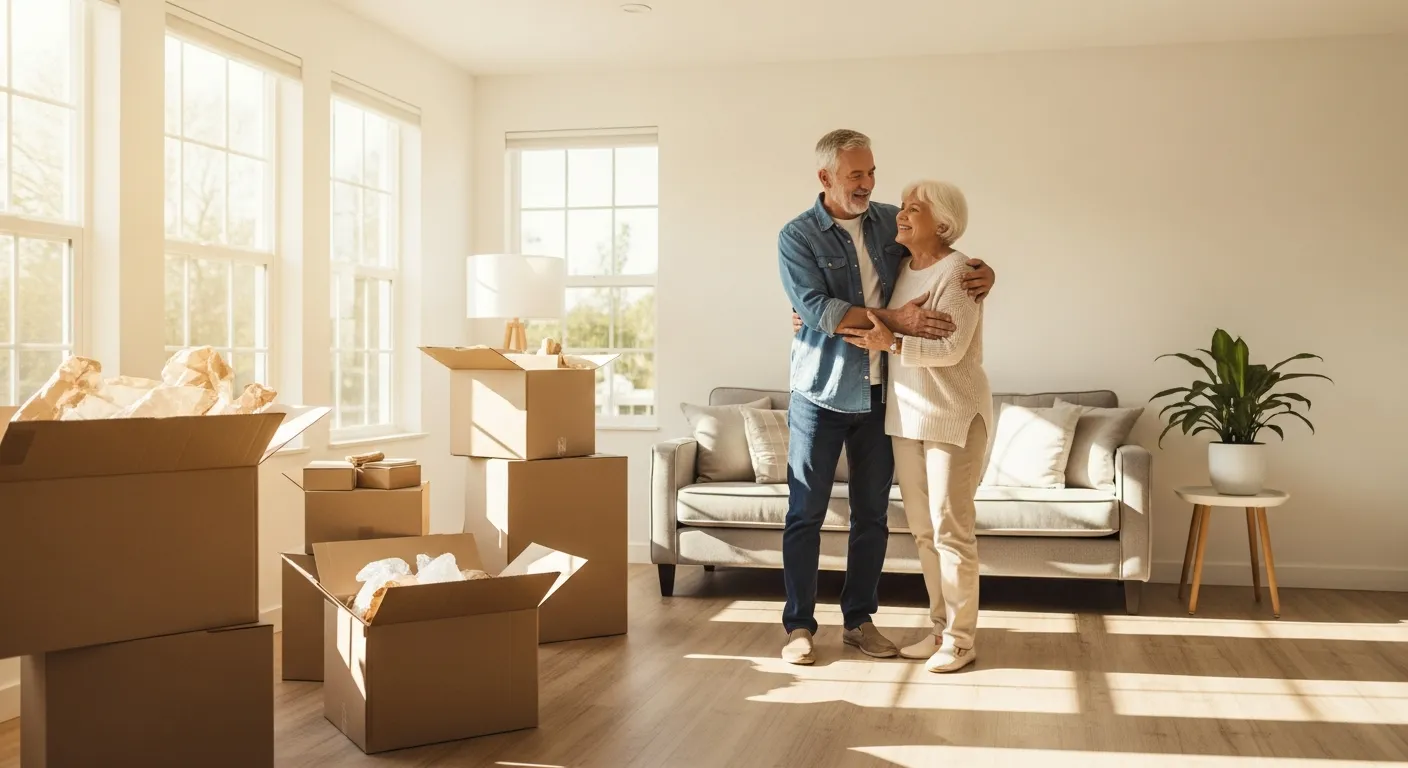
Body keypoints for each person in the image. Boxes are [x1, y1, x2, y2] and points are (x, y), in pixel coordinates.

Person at [776, 130, 995, 666]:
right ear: (825, 177)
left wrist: (986, 272)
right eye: (856, 175)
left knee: (872, 514)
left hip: (882, 395)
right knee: (806, 511)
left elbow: (939, 253)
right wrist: (894, 322)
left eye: (872, 172)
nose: (868, 185)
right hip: (821, 390)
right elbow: (820, 309)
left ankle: (859, 621)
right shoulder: (797, 235)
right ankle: (799, 626)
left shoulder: (889, 220)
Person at [838, 179, 991, 673]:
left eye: (915, 209)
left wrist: (894, 346)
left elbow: (950, 349)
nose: (902, 215)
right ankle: (941, 629)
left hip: (954, 417)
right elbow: (873, 315)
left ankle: (962, 640)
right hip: (905, 416)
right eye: (902, 207)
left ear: (942, 223)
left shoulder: (962, 273)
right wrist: (807, 316)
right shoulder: (900, 269)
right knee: (925, 532)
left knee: (952, 531)